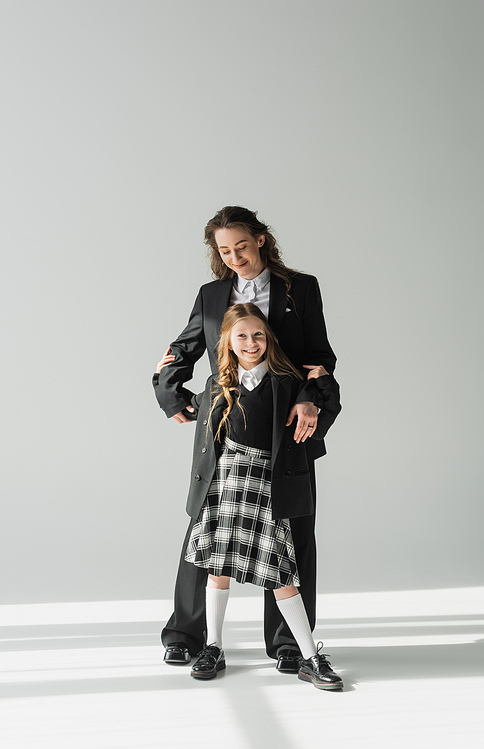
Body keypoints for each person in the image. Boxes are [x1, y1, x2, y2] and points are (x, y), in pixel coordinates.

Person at [153, 205, 340, 673]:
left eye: (241, 245)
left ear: (260, 239)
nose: (235, 256)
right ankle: (187, 635)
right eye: (224, 250)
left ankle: (290, 645)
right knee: (206, 529)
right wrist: (171, 392)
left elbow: (320, 356)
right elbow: (185, 346)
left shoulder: (301, 288)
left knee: (291, 533)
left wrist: (310, 398)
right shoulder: (211, 294)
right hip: (225, 430)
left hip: (287, 429)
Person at [179, 303, 342, 689]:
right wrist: (164, 381)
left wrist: (323, 383)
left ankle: (309, 657)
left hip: (269, 483)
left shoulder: (290, 382)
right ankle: (214, 647)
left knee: (282, 573)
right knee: (218, 568)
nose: (250, 343)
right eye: (242, 336)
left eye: (257, 335)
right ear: (228, 342)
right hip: (225, 482)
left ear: (268, 338)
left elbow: (325, 415)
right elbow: (201, 429)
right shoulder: (216, 384)